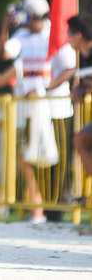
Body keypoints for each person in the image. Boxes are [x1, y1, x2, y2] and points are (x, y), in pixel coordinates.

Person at [0, 0, 76, 223]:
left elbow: (70, 68)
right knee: (31, 158)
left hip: (56, 108)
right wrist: (5, 25)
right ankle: (40, 210)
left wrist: (46, 87)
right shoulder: (22, 35)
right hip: (31, 110)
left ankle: (56, 213)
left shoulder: (54, 35)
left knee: (57, 163)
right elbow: (3, 53)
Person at [68, 13, 92, 184]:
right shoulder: (83, 58)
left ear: (78, 35)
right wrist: (80, 90)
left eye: (69, 33)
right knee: (80, 139)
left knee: (81, 139)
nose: (67, 38)